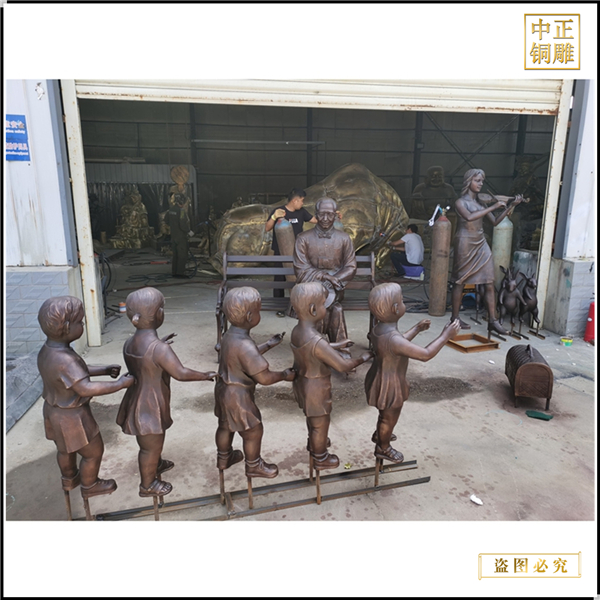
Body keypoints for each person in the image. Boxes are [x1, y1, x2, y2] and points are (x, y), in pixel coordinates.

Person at [117, 287, 217, 498]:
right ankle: (147, 485)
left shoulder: (129, 343)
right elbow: (180, 373)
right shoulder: (159, 349)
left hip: (135, 399)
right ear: (159, 314)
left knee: (152, 442)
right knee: (149, 447)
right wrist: (204, 375)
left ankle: (157, 463)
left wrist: (160, 344)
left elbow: (143, 359)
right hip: (150, 404)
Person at [37, 296, 135, 500]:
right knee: (93, 451)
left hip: (53, 411)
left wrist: (103, 369)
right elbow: (84, 387)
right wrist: (120, 384)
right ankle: (90, 485)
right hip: (73, 416)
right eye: (80, 322)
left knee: (65, 450)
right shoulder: (65, 359)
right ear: (66, 327)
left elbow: (75, 373)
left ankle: (69, 477)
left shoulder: (48, 351)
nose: (82, 325)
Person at [366, 283, 460, 463]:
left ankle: (381, 434)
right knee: (389, 417)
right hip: (391, 384)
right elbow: (425, 354)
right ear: (395, 309)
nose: (404, 303)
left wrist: (416, 329)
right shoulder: (393, 338)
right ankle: (383, 447)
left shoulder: (379, 329)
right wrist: (445, 336)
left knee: (385, 415)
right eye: (402, 301)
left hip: (380, 377)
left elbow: (400, 343)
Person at [290, 282, 373, 471]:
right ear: (313, 310)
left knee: (312, 420)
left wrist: (336, 345)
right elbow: (342, 365)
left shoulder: (298, 331)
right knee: (321, 423)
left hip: (303, 382)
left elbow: (313, 349)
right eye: (323, 305)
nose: (326, 309)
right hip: (317, 388)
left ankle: (314, 443)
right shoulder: (316, 339)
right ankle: (320, 456)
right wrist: (363, 357)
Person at [215, 287, 295, 479]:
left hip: (223, 390)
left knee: (225, 425)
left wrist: (267, 345)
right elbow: (264, 377)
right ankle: (253, 465)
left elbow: (241, 358)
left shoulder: (229, 336)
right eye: (258, 311)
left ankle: (224, 457)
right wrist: (284, 375)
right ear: (250, 316)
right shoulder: (245, 345)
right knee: (253, 430)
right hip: (238, 397)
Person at [450, 168, 524, 335]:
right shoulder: (460, 202)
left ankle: (493, 321)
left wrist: (510, 206)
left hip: (481, 243)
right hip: (465, 242)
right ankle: (454, 319)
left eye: (482, 181)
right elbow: (469, 217)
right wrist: (494, 206)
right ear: (468, 181)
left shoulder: (481, 204)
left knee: (489, 281)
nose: (480, 184)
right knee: (460, 281)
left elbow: (495, 222)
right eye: (477, 180)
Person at [294, 197, 357, 354]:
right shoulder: (303, 238)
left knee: (334, 306)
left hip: (335, 287)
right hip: (309, 288)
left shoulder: (344, 238)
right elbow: (301, 269)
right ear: (316, 214)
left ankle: (339, 349)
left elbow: (351, 267)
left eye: (330, 214)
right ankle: (316, 348)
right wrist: (325, 277)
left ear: (335, 215)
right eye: (322, 214)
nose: (325, 218)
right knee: (321, 307)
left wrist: (335, 280)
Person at [265, 188, 316, 306]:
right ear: (295, 201)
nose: (302, 203)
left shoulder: (302, 212)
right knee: (279, 278)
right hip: (280, 252)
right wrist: (274, 217)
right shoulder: (279, 211)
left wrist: (332, 216)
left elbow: (316, 220)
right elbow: (267, 228)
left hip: (298, 251)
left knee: (298, 277)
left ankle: (298, 304)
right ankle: (279, 305)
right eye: (302, 200)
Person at [164, 193, 193, 278]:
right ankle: (180, 273)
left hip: (173, 236)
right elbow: (183, 224)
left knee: (175, 255)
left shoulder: (170, 210)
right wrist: (189, 231)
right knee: (182, 255)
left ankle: (174, 272)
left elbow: (166, 220)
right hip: (181, 237)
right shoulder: (181, 211)